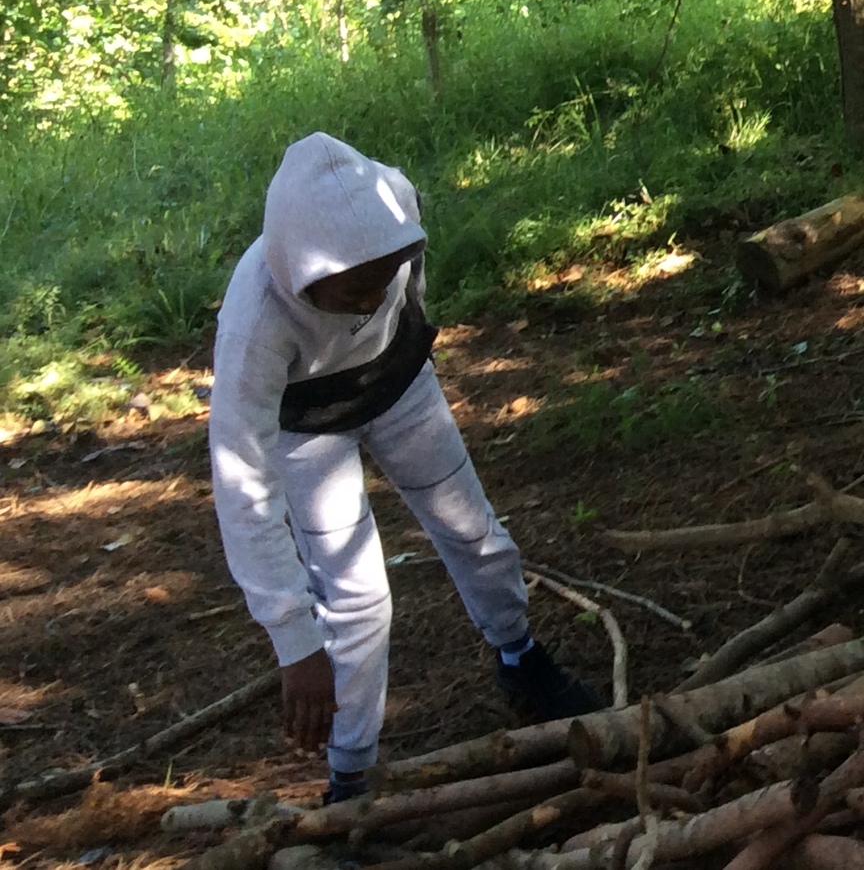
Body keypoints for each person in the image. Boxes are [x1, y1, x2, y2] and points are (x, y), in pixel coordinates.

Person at [210, 132, 600, 803]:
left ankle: (520, 657)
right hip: (308, 428)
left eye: (381, 276)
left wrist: (407, 329)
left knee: (474, 533)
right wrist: (295, 641)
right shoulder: (256, 326)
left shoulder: (394, 204)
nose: (371, 298)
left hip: (399, 387)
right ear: (304, 273)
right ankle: (352, 776)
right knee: (358, 600)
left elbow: (408, 285)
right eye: (352, 288)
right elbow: (242, 484)